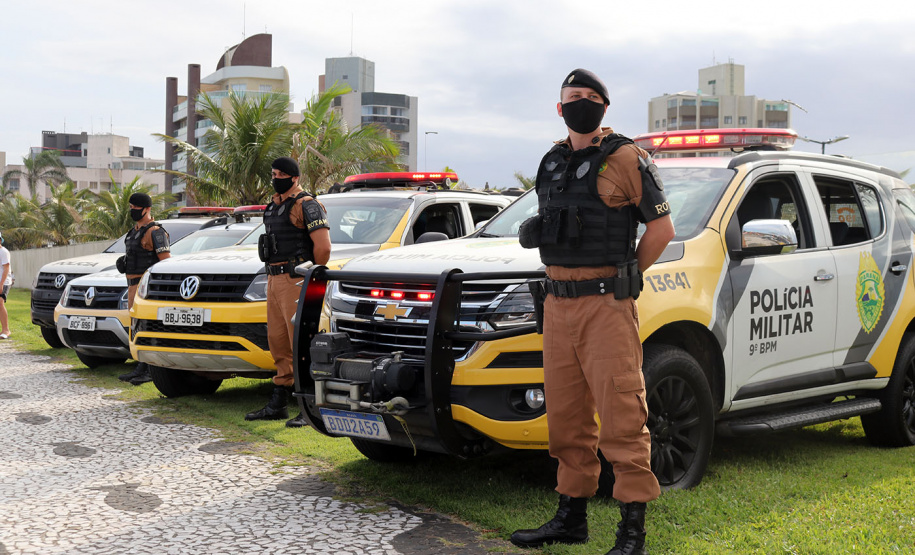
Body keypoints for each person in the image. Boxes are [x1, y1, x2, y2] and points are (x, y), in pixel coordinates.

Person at [512, 69, 675, 555]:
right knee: (566, 417)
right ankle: (571, 517)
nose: (580, 103)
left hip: (607, 304)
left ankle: (632, 532)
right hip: (558, 305)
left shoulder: (627, 157)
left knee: (623, 416)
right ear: (559, 108)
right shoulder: (551, 162)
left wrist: (624, 279)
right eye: (571, 98)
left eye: (589, 97)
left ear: (604, 105)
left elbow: (660, 230)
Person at [245, 156, 331, 427]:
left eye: (281, 173)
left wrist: (309, 275)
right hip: (273, 279)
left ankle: (311, 408)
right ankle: (279, 402)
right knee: (278, 342)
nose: (275, 177)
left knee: (301, 342)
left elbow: (324, 249)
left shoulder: (307, 205)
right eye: (273, 173)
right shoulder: (274, 205)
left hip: (296, 278)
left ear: (294, 177)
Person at [116, 193, 171, 385]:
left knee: (148, 329)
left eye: (135, 207)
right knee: (136, 329)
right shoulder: (133, 232)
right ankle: (140, 366)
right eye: (130, 207)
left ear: (147, 209)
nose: (132, 210)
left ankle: (149, 370)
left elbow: (165, 262)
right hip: (132, 288)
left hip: (146, 289)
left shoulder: (155, 231)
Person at [0, 231, 12, 340]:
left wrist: (1, 284)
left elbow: (6, 268)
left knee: (0, 303)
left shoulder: (3, 252)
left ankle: (6, 330)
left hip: (4, 281)